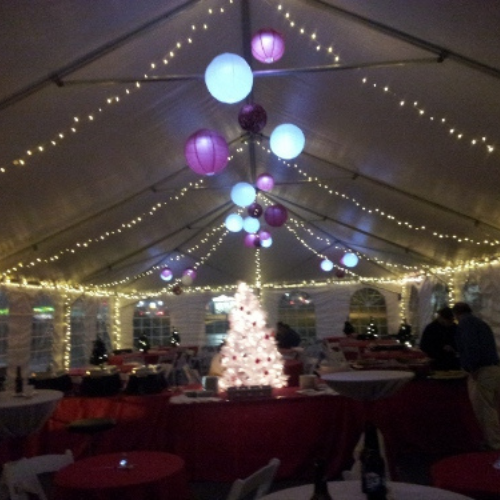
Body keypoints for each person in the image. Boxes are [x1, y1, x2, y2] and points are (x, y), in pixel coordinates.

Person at [452, 302, 500, 450]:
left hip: (482, 370)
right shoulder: (481, 323)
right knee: (494, 406)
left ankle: (494, 444)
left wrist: (471, 368)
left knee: (485, 410)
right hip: (494, 367)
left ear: (456, 314)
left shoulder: (466, 325)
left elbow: (471, 347)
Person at [419, 307, 460, 371]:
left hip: (452, 361)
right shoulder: (431, 329)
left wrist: (453, 348)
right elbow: (424, 346)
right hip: (436, 361)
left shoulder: (454, 327)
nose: (450, 323)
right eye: (448, 320)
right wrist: (441, 348)